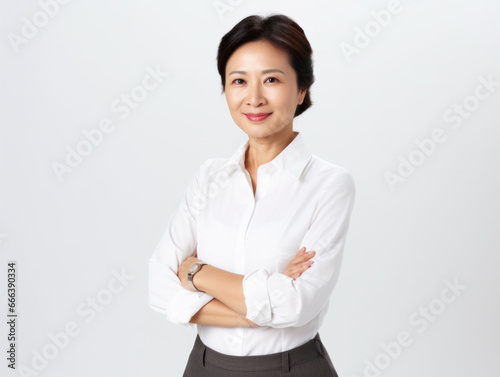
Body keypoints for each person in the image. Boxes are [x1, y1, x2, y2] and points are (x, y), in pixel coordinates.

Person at [148, 13, 356, 377]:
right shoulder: (209, 177)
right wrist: (262, 313)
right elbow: (159, 287)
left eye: (272, 79)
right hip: (204, 366)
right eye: (239, 81)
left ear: (302, 90)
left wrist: (196, 272)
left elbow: (296, 306)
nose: (254, 98)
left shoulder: (329, 184)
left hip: (292, 367)